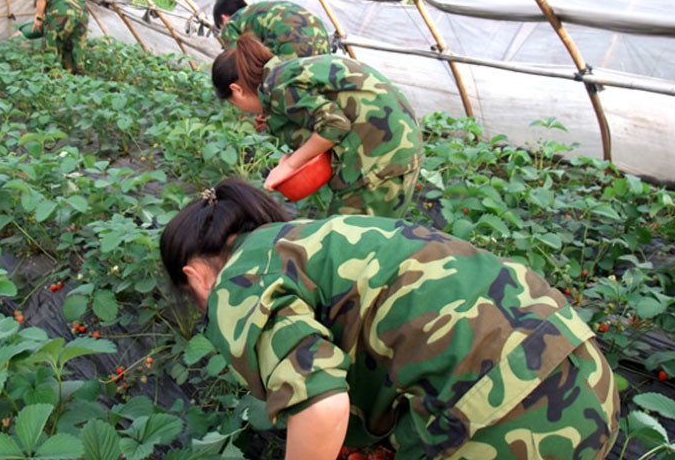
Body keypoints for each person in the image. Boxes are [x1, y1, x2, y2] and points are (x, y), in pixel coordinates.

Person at [160, 179, 620, 460]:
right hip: (584, 374)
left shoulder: (235, 284)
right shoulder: (315, 236)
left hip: (504, 420)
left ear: (194, 277)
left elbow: (323, 406)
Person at [213, 33, 422, 218]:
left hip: (379, 157)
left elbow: (335, 125)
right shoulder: (283, 74)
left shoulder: (277, 88)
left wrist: (290, 164)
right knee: (377, 236)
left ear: (237, 90)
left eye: (234, 103)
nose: (242, 111)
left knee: (348, 242)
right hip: (397, 144)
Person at [213, 0, 331, 61]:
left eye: (221, 27)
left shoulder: (232, 24)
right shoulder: (260, 10)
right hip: (321, 37)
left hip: (292, 41)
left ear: (224, 18)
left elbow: (238, 62)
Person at [31, 0, 89, 74]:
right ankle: (76, 78)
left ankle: (51, 77)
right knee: (75, 48)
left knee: (51, 47)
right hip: (82, 16)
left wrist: (39, 18)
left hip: (61, 14)